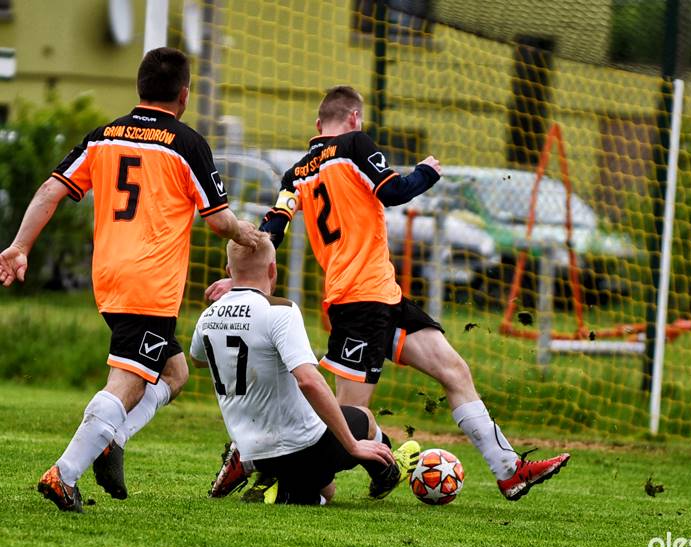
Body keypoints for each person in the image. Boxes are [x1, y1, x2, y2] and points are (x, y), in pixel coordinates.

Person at [206, 85, 570, 500]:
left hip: (383, 294)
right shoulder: (354, 144)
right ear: (354, 118)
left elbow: (274, 226)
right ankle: (256, 460)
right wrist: (426, 171)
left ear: (318, 124)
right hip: (358, 299)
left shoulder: (297, 173)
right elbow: (394, 191)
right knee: (349, 417)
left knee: (453, 370)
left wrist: (241, 277)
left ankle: (509, 471)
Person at [0, 47, 262, 512]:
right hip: (150, 284)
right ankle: (64, 474)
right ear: (184, 95)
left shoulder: (104, 136)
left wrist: (20, 246)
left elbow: (51, 189)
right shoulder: (186, 143)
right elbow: (220, 221)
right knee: (128, 382)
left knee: (174, 373)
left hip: (110, 279)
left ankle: (111, 438)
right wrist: (249, 234)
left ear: (140, 87)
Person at [191, 236, 419, 504]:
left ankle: (277, 482)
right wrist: (352, 445)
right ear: (273, 269)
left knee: (327, 490)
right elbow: (309, 381)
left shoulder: (208, 316)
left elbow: (198, 359)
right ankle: (387, 472)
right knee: (364, 418)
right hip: (299, 447)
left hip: (252, 449)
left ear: (229, 271)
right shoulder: (281, 311)